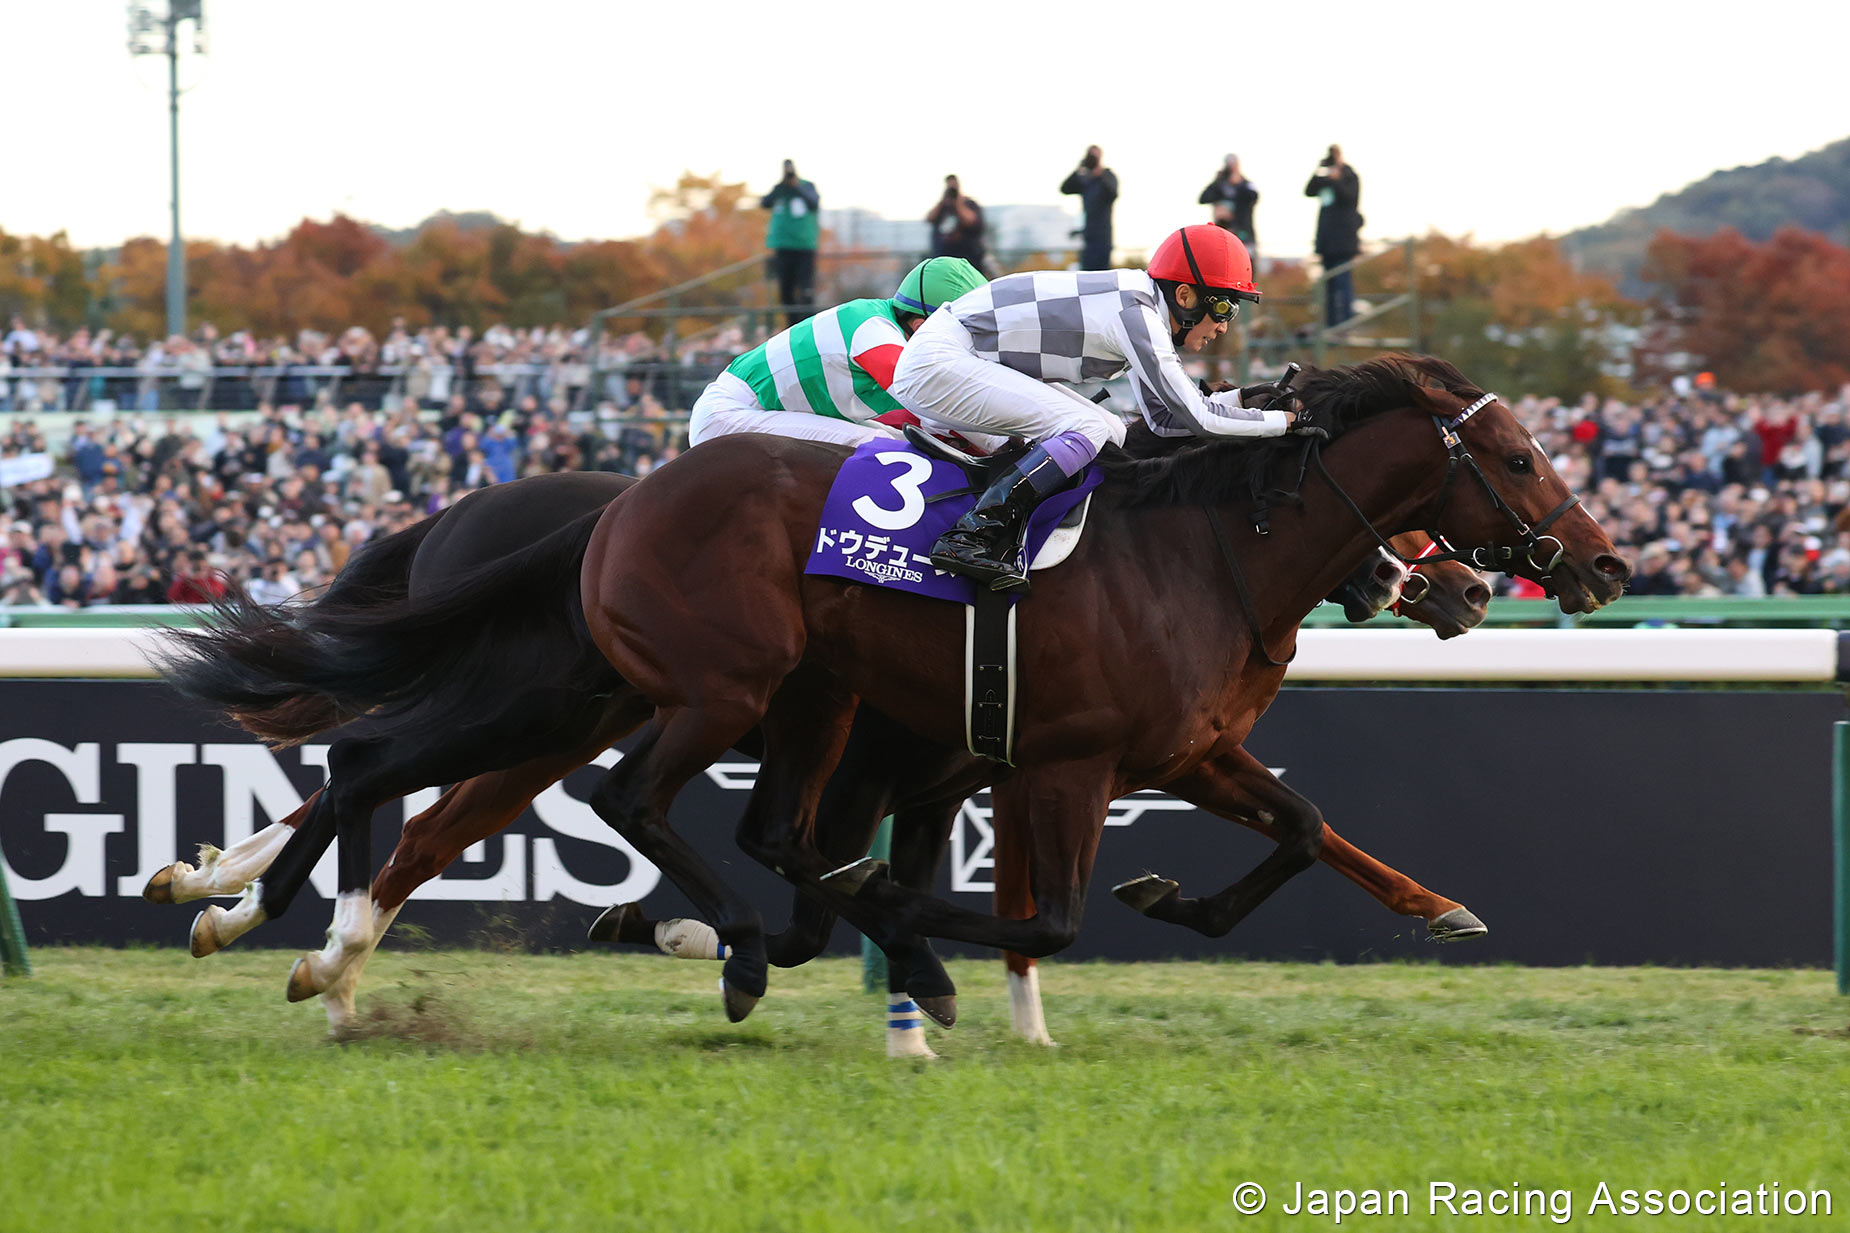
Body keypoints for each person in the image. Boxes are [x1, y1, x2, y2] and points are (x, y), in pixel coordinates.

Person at [889, 225, 1317, 591]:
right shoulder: (1137, 315)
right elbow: (1197, 419)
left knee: (1109, 429)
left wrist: (1242, 399)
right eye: (1223, 306)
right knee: (1085, 427)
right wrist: (1283, 422)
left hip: (962, 357)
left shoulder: (1140, 307)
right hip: (942, 360)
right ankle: (975, 535)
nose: (1224, 325)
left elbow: (1164, 422)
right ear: (1185, 296)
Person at [687, 257, 987, 449]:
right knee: (879, 445)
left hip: (754, 412)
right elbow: (934, 400)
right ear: (921, 325)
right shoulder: (872, 329)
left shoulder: (882, 324)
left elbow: (930, 419)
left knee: (902, 442)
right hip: (728, 417)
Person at [1304, 144, 1363, 327]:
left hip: (1344, 241)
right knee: (1329, 285)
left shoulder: (1349, 176)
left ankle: (1346, 323)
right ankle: (1331, 324)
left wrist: (1337, 179)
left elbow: (1350, 198)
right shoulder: (1325, 177)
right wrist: (1320, 170)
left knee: (1342, 282)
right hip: (1327, 242)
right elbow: (1308, 191)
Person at [761, 160, 821, 326]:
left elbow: (814, 202)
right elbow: (765, 202)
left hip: (804, 246)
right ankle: (792, 326)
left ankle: (808, 325)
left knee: (806, 290)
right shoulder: (780, 189)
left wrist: (796, 186)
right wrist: (782, 187)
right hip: (783, 246)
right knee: (785, 291)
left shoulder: (807, 186)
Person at [1060, 146, 1119, 271]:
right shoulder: (1086, 181)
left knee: (1102, 273)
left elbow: (1113, 194)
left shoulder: (1107, 176)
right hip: (1088, 235)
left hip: (1103, 235)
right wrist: (1079, 169)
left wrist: (1101, 174)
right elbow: (1064, 189)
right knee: (1086, 273)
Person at [1199, 154, 1259, 258]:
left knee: (1246, 262)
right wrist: (1217, 181)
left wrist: (1238, 184)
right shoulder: (1219, 185)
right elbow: (1203, 198)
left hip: (1243, 231)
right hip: (1223, 232)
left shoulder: (1246, 184)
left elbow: (1254, 197)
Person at [926, 176, 986, 269]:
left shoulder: (969, 204)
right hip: (943, 255)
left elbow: (970, 221)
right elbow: (929, 218)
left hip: (968, 256)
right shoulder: (942, 207)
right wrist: (943, 201)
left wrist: (958, 202)